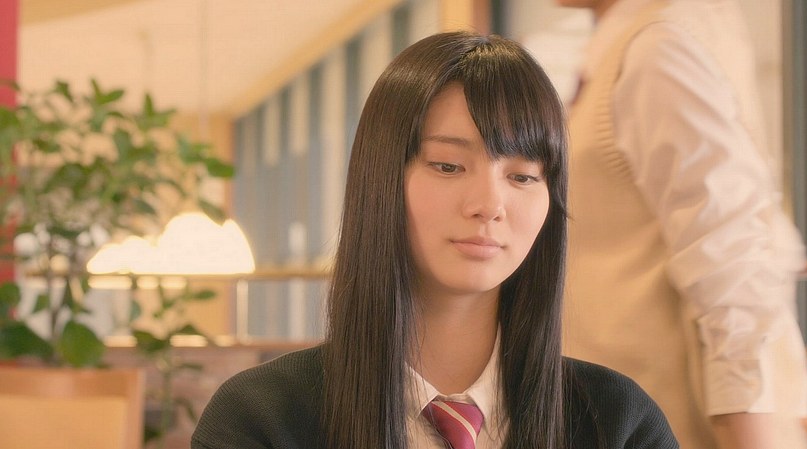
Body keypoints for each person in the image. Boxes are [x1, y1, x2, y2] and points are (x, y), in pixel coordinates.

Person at [191, 31, 678, 449]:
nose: (489, 204)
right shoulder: (260, 420)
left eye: (523, 176)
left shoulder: (617, 422)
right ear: (380, 179)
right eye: (448, 166)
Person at [552, 0, 807, 448]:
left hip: (665, 427)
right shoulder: (632, 43)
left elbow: (730, 263)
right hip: (620, 420)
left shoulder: (659, 47)